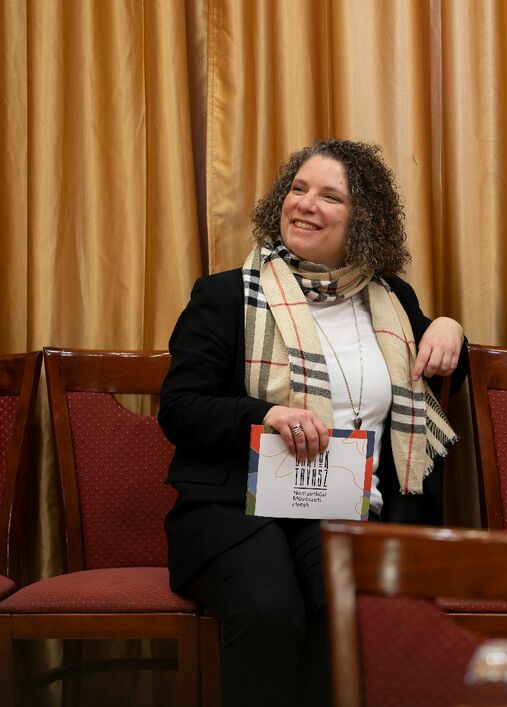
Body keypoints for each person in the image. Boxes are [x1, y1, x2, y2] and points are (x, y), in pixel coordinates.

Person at [159, 138, 467, 707]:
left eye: (330, 196)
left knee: (345, 608)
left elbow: (438, 364)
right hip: (232, 506)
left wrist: (447, 325)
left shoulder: (390, 298)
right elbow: (178, 407)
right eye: (298, 189)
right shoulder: (228, 296)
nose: (306, 204)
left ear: (363, 220)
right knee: (270, 610)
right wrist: (266, 414)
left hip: (336, 510)